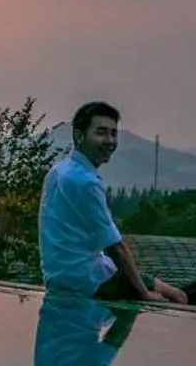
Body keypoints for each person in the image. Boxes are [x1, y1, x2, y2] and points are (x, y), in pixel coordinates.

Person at [38, 101, 188, 303]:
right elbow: (116, 247)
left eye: (113, 133)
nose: (109, 141)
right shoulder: (84, 181)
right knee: (178, 297)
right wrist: (143, 294)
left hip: (60, 277)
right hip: (85, 280)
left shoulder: (58, 171)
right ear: (79, 136)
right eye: (101, 132)